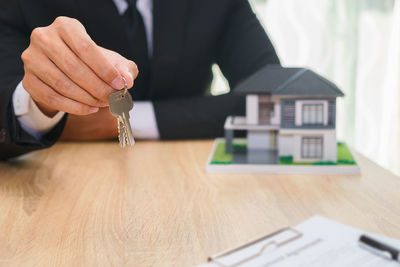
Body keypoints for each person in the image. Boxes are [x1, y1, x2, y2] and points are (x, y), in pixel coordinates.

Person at [0, 0, 280, 160]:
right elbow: (5, 111)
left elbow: (273, 96)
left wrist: (127, 121)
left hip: (189, 173)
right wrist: (40, 108)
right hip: (64, 188)